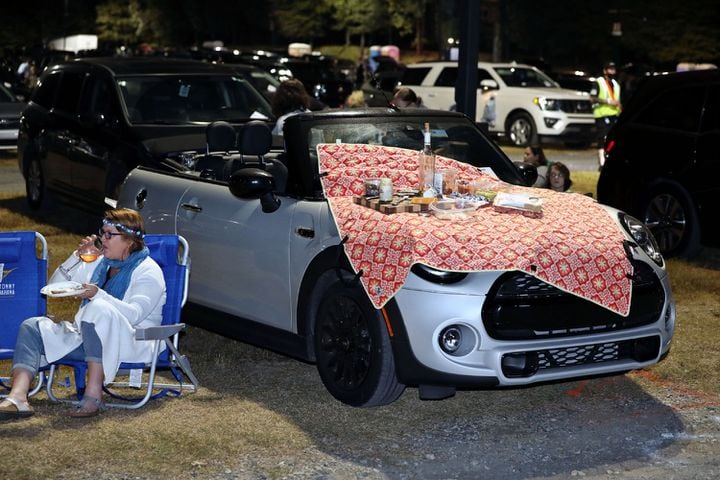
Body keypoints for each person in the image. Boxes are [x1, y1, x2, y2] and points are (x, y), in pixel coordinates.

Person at [0, 208, 166, 419]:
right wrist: (77, 258)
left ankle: (93, 395)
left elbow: (134, 315)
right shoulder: (100, 263)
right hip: (89, 338)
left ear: (129, 240)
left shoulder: (148, 271)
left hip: (132, 341)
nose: (102, 239)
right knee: (32, 326)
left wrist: (98, 295)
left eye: (109, 235)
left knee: (97, 308)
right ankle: (18, 398)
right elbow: (53, 287)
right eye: (102, 232)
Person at [590, 61, 621, 169]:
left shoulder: (616, 83)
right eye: (610, 69)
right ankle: (602, 164)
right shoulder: (599, 82)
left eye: (613, 69)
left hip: (614, 115)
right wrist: (607, 101)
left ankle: (610, 161)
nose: (612, 71)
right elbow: (592, 98)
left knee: (613, 140)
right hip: (602, 114)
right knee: (602, 139)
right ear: (604, 70)